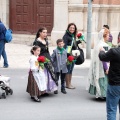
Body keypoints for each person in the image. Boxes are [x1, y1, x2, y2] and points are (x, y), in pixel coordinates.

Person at [99, 32, 120, 120]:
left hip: (115, 84)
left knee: (111, 110)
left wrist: (101, 51)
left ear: (118, 39)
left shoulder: (114, 51)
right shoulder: (114, 51)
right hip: (115, 83)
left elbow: (103, 57)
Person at [33, 27, 58, 94]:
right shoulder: (36, 42)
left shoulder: (46, 41)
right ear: (40, 33)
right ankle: (43, 89)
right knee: (43, 74)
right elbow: (35, 52)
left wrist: (50, 58)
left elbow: (47, 51)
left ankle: (53, 87)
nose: (45, 34)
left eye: (46, 32)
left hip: (47, 58)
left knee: (51, 72)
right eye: (43, 32)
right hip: (41, 59)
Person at [88, 28, 110, 99]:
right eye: (108, 35)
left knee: (99, 79)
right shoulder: (104, 45)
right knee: (103, 79)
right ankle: (103, 94)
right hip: (103, 66)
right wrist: (106, 68)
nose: (109, 37)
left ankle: (99, 93)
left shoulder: (98, 44)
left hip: (98, 66)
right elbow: (104, 58)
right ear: (104, 36)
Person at [63, 23, 81, 89]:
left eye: (73, 28)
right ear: (68, 28)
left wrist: (79, 41)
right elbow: (64, 46)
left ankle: (69, 83)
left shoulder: (72, 36)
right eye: (71, 28)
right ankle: (67, 84)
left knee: (71, 69)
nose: (72, 29)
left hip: (73, 55)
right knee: (68, 69)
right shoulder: (66, 36)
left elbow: (73, 44)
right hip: (69, 55)